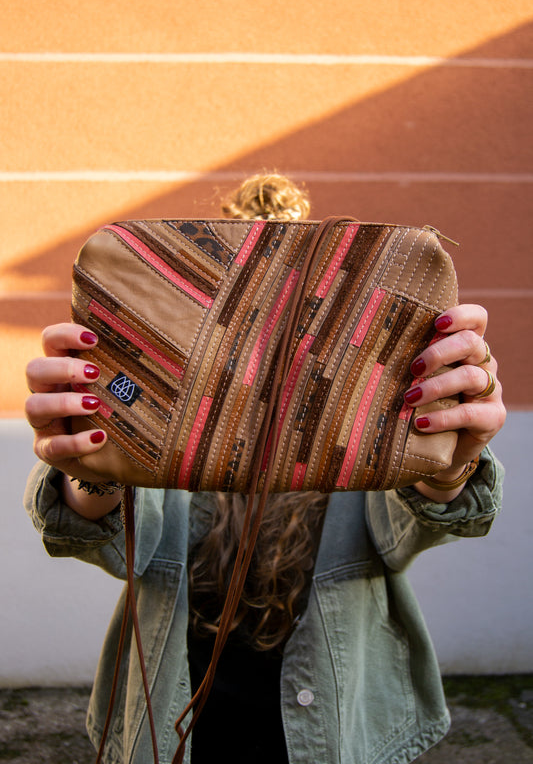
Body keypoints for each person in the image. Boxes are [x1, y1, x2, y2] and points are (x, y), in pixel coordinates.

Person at [24, 173, 506, 764]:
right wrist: (88, 464)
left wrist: (454, 463)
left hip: (337, 717)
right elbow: (113, 541)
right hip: (175, 712)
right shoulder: (172, 412)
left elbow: (415, 525)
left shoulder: (359, 403)